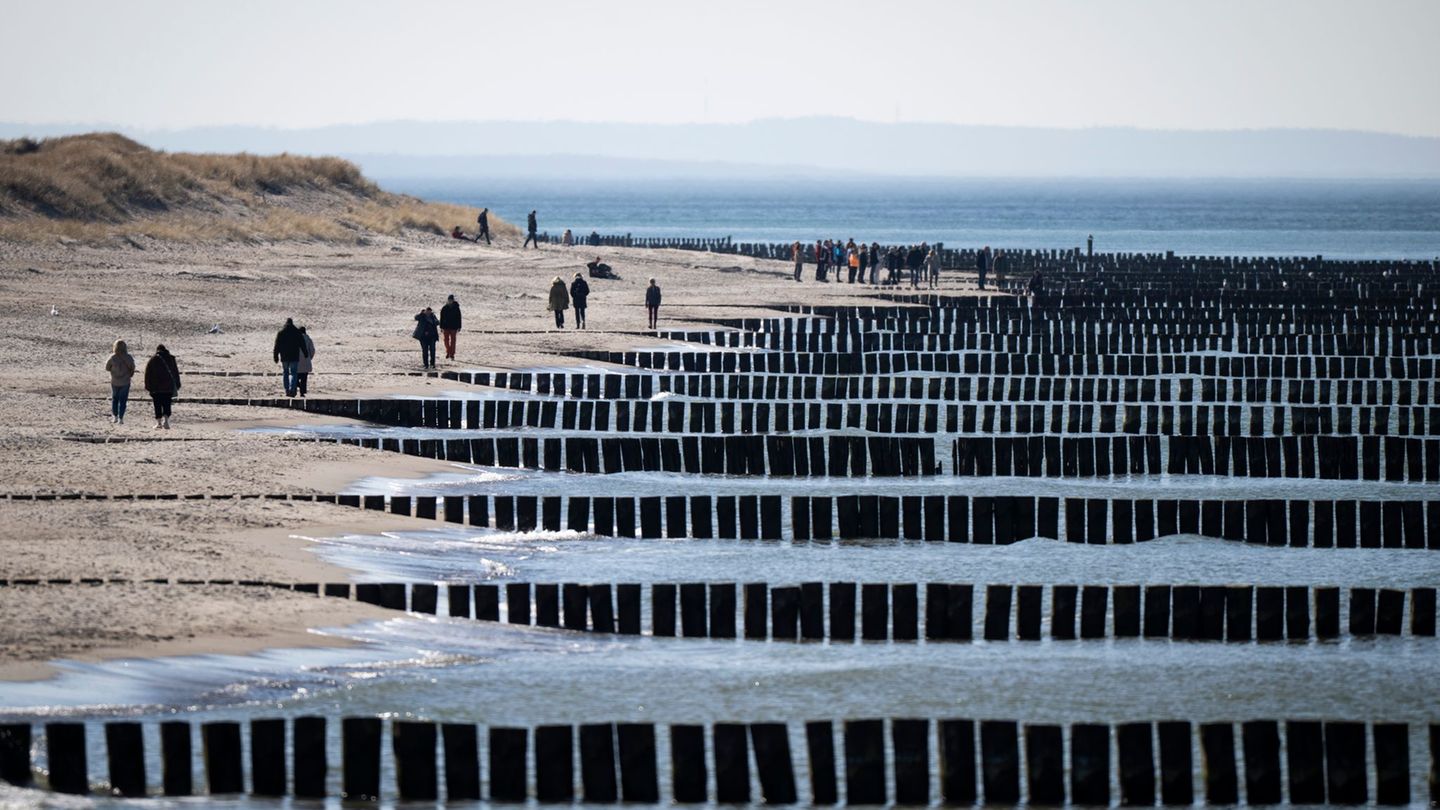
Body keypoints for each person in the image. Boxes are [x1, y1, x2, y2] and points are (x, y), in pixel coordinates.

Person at [143, 344, 180, 429]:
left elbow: (147, 374)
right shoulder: (171, 359)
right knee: (167, 404)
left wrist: (148, 386)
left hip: (156, 387)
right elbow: (175, 372)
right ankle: (166, 421)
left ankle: (159, 423)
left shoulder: (153, 359)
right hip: (168, 386)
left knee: (157, 404)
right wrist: (177, 384)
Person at [273, 317, 309, 397]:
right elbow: (302, 343)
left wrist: (276, 356)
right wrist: (305, 353)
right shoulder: (297, 332)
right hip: (294, 356)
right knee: (293, 373)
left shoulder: (281, 333)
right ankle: (292, 389)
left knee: (285, 372)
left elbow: (277, 346)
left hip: (284, 356)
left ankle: (287, 390)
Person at [104, 339, 136, 425]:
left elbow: (107, 368)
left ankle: (115, 416)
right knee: (123, 400)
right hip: (125, 381)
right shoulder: (129, 357)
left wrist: (113, 370)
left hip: (114, 381)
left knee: (115, 399)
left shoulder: (112, 357)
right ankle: (121, 418)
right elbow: (133, 367)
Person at [439, 294, 462, 360]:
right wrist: (441, 326)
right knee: (446, 340)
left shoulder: (456, 308)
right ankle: (448, 351)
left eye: (451, 300)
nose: (450, 301)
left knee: (453, 340)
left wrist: (459, 326)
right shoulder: (444, 307)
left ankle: (452, 354)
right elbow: (441, 317)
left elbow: (459, 317)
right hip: (445, 326)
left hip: (454, 327)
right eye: (449, 300)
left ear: (453, 300)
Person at [296, 326, 315, 396]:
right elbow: (312, 350)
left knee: (296, 377)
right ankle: (302, 392)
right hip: (306, 361)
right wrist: (309, 358)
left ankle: (298, 385)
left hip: (297, 361)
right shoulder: (308, 339)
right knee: (304, 378)